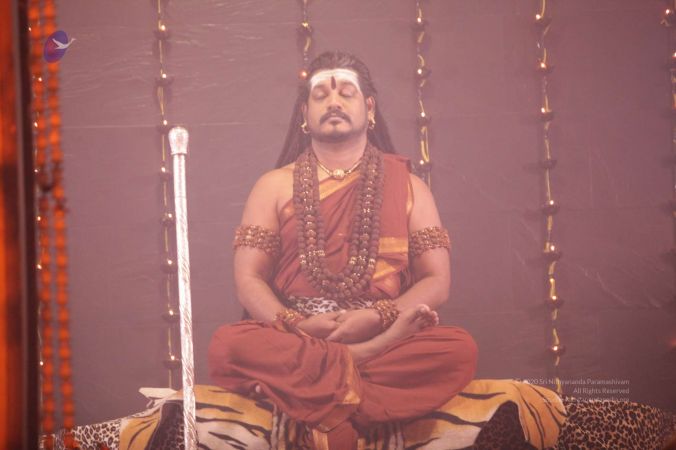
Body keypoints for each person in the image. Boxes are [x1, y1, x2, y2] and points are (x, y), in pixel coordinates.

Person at [208, 50, 478, 449]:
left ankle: (307, 393)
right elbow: (248, 278)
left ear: (369, 108)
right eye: (321, 95)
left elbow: (437, 280)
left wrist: (377, 317)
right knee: (228, 346)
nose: (333, 102)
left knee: (458, 350)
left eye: (346, 93)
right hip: (301, 332)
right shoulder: (274, 185)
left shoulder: (409, 187)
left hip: (384, 329)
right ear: (304, 114)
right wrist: (298, 325)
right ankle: (359, 368)